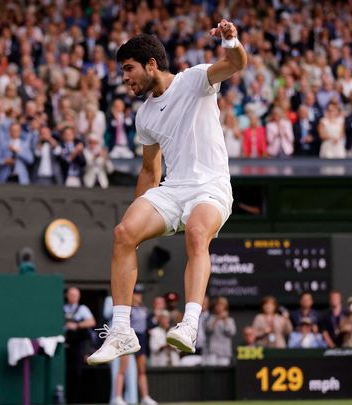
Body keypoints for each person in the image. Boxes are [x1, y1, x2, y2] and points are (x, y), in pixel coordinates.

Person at [87, 21, 247, 364]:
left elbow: (235, 64)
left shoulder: (194, 80)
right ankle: (121, 332)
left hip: (211, 186)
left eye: (128, 69)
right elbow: (149, 170)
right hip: (174, 189)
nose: (125, 78)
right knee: (123, 233)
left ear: (151, 64)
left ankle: (190, 324)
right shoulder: (144, 116)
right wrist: (138, 225)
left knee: (197, 232)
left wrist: (231, 40)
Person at [113, 286, 157, 405]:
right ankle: (117, 397)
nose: (139, 296)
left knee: (142, 370)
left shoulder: (144, 310)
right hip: (128, 338)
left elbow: (149, 325)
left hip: (141, 338)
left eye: (140, 294)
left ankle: (145, 397)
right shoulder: (127, 310)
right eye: (136, 294)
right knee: (122, 369)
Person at [63, 287, 97, 404]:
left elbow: (92, 322)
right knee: (64, 371)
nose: (73, 297)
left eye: (76, 295)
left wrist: (76, 325)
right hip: (63, 344)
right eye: (71, 295)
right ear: (67, 295)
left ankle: (75, 400)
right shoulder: (62, 308)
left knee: (76, 372)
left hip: (78, 346)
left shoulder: (82, 309)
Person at [204, 296, 236, 366]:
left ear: (225, 307)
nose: (219, 307)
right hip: (212, 351)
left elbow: (231, 332)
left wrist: (225, 321)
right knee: (212, 371)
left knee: (223, 373)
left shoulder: (229, 320)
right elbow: (208, 330)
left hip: (224, 352)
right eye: (217, 305)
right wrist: (217, 319)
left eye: (221, 305)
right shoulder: (210, 318)